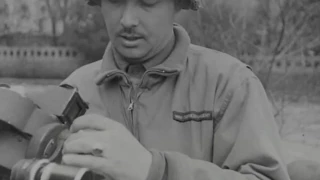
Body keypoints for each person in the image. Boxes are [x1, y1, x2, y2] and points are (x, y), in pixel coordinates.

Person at [60, 0, 291, 179]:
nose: (127, 19)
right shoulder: (75, 88)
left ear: (178, 4)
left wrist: (157, 171)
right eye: (114, 1)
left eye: (148, 2)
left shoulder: (229, 84)